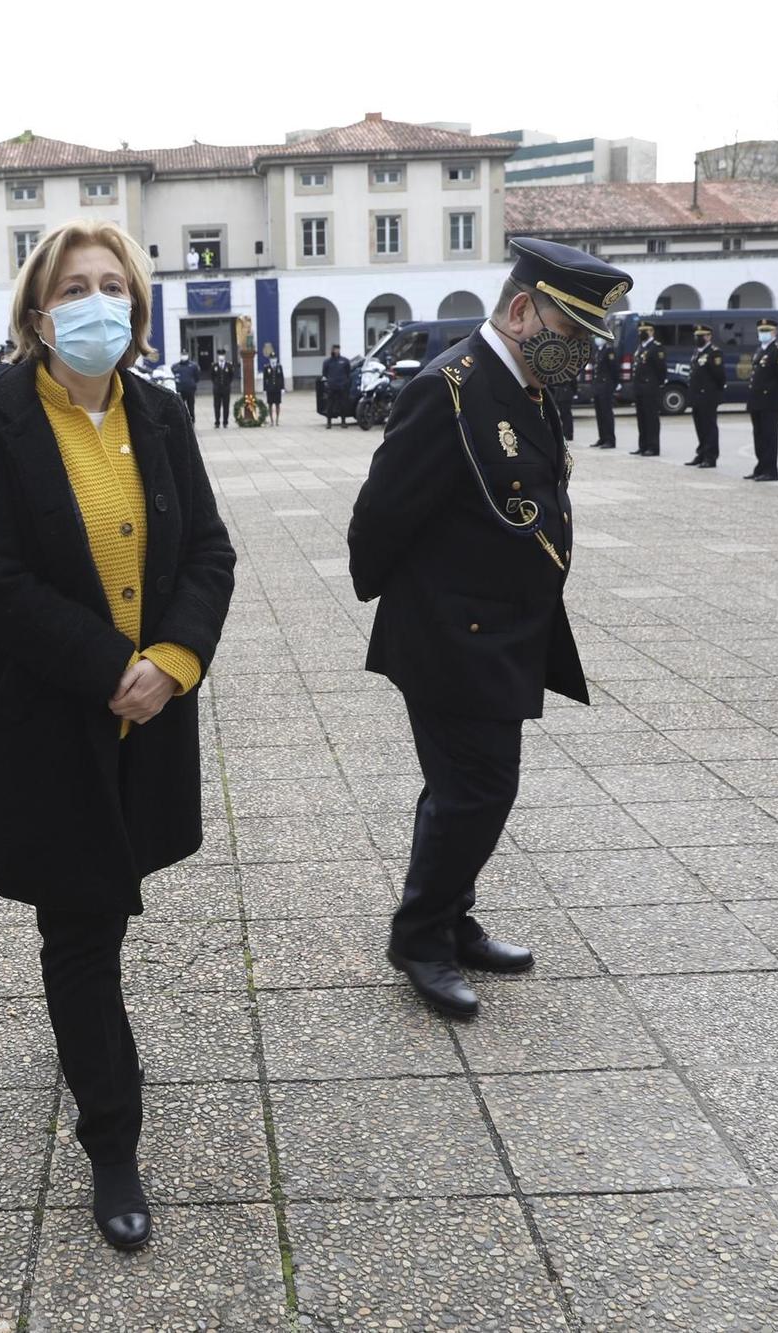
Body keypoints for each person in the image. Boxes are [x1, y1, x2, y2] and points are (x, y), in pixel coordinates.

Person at [0, 219, 235, 1253]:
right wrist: (106, 666)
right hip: (50, 720)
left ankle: (93, 1056)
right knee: (79, 931)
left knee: (105, 913)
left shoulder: (159, 413)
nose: (97, 302)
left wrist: (173, 660)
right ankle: (111, 1135)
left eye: (114, 285)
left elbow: (206, 549)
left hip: (149, 713)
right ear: (36, 310)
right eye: (76, 287)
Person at [348, 237, 629, 1021]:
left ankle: (450, 917)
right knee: (479, 790)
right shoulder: (451, 390)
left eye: (585, 340)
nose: (577, 353)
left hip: (505, 630)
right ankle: (420, 938)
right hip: (449, 632)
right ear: (520, 310)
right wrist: (397, 601)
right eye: (570, 334)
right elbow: (379, 515)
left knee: (463, 790)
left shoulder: (533, 386)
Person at [746, 318, 778, 482]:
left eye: (766, 331)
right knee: (758, 435)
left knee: (769, 436)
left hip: (770, 399)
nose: (763, 334)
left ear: (774, 332)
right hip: (757, 399)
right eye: (761, 331)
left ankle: (770, 470)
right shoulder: (760, 350)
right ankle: (760, 467)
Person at [683, 325, 724, 468]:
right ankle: (701, 453)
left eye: (702, 335)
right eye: (696, 335)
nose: (698, 338)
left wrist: (713, 392)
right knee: (699, 426)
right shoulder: (697, 352)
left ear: (709, 336)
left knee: (709, 426)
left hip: (708, 396)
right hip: (696, 396)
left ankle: (710, 456)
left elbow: (720, 376)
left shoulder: (714, 353)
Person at [630, 324, 664, 455]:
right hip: (639, 388)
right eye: (639, 331)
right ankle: (643, 445)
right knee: (641, 418)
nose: (640, 334)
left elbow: (661, 370)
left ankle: (653, 447)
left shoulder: (656, 347)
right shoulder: (641, 347)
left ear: (651, 331)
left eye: (643, 331)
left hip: (650, 388)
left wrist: (655, 385)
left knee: (651, 419)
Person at [589, 334, 618, 448]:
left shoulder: (609, 350)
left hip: (606, 387)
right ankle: (602, 437)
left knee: (606, 414)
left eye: (598, 336)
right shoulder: (599, 351)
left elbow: (614, 370)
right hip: (598, 386)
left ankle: (610, 440)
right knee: (599, 414)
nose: (596, 339)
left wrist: (613, 385)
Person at [321, 345, 353, 428]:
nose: (336, 351)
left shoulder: (344, 361)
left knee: (343, 404)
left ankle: (343, 422)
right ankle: (329, 423)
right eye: (334, 349)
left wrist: (346, 382)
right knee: (330, 405)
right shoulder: (327, 362)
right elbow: (324, 373)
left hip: (342, 386)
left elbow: (348, 373)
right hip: (332, 386)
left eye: (337, 349)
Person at [209, 349, 235, 428]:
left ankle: (225, 422)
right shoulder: (214, 365)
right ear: (218, 356)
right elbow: (211, 376)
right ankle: (217, 422)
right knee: (217, 406)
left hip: (226, 389)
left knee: (226, 406)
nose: (221, 356)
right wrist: (216, 384)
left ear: (224, 356)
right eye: (220, 355)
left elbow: (231, 376)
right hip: (217, 389)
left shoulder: (229, 365)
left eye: (222, 355)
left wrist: (227, 384)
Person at [171, 354, 199, 422]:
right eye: (182, 354)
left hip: (190, 390)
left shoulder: (193, 366)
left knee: (191, 407)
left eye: (185, 354)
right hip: (180, 390)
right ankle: (182, 421)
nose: (184, 356)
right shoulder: (175, 366)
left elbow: (197, 378)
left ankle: (192, 421)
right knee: (180, 407)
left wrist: (192, 384)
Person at [262, 349, 285, 426]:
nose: (273, 360)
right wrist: (264, 389)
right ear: (270, 359)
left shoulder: (279, 367)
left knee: (277, 404)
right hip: (270, 389)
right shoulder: (266, 367)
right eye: (272, 358)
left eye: (274, 358)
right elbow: (265, 379)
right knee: (270, 405)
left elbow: (281, 378)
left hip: (277, 389)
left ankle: (277, 420)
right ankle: (271, 420)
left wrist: (282, 388)